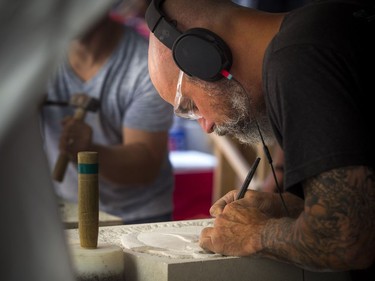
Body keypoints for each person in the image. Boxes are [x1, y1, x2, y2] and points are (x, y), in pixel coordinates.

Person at [144, 0, 375, 278]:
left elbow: (346, 240)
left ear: (205, 57)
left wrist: (254, 234)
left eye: (190, 105)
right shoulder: (323, 28)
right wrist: (288, 208)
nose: (205, 125)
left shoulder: (297, 60)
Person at [41, 1, 175, 225]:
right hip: (66, 209)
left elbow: (145, 163)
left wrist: (89, 151)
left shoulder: (147, 66)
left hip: (137, 217)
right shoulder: (39, 62)